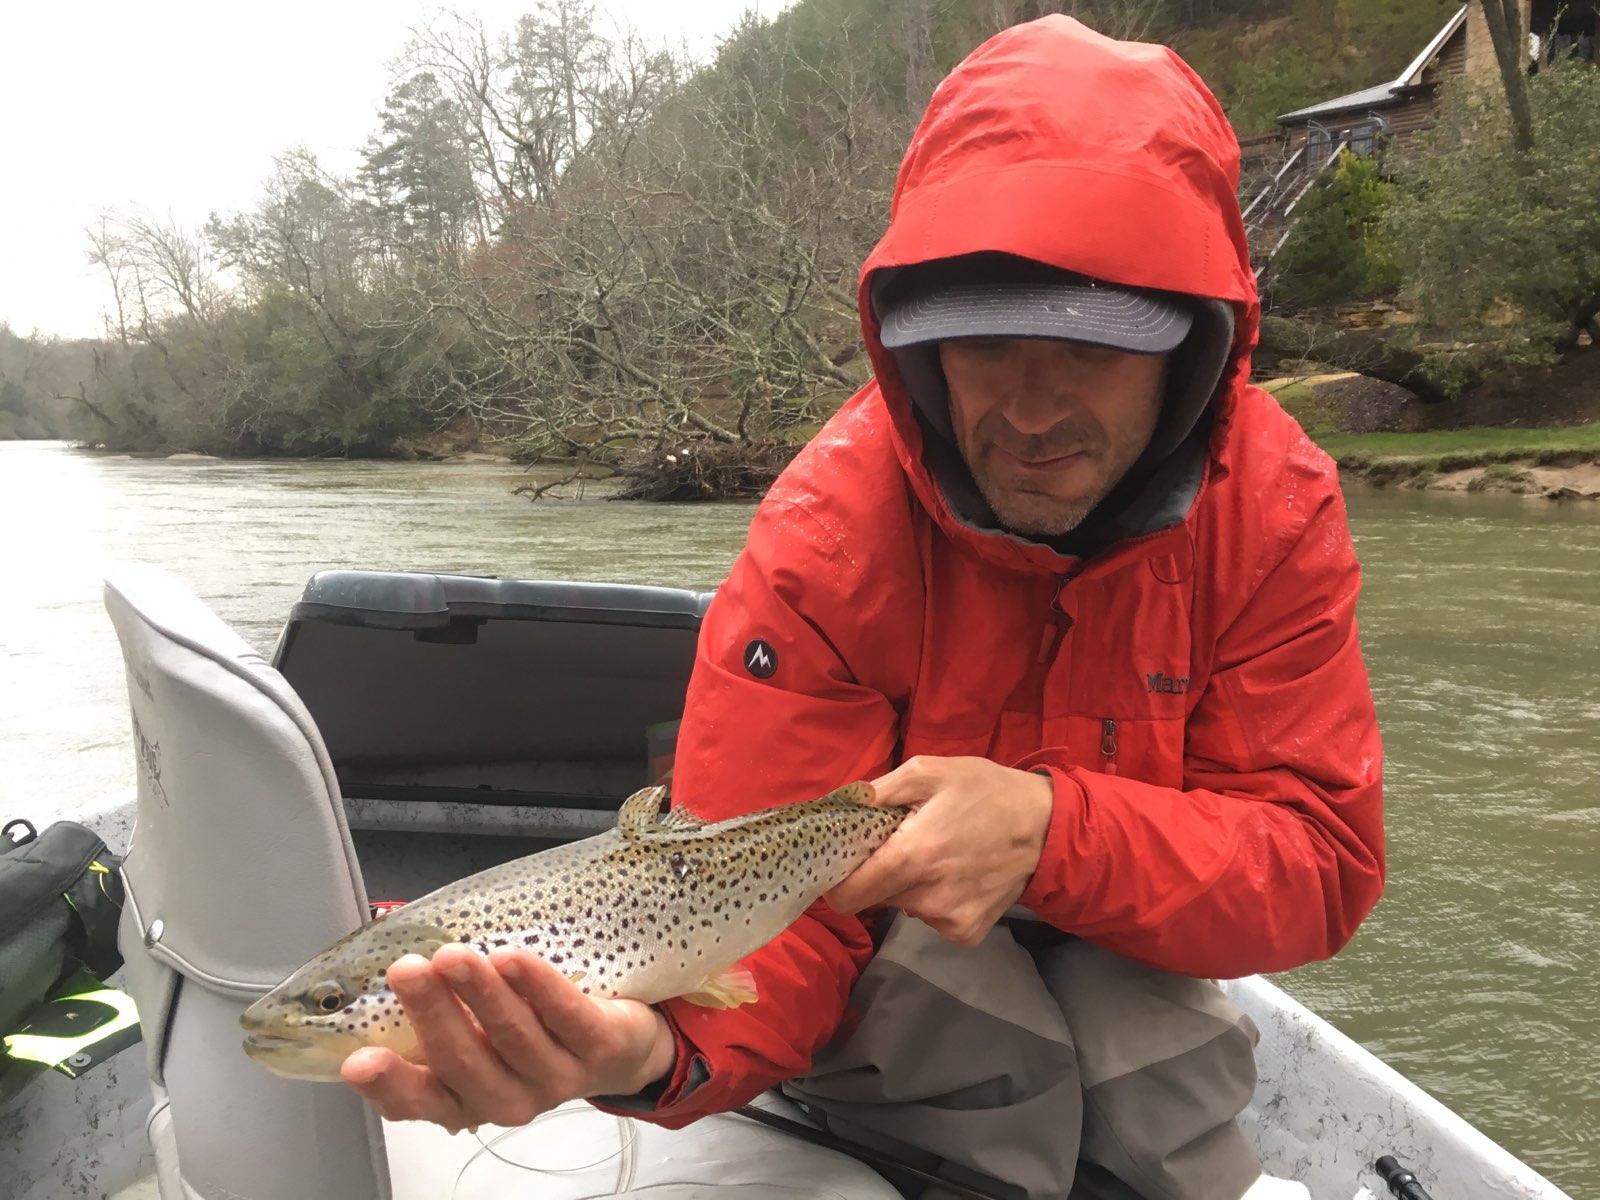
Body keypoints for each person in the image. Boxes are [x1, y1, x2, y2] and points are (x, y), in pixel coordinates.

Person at [340, 15, 1385, 1199]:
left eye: (1092, 350)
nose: (1032, 412)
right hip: (882, 962)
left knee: (1160, 1063)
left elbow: (1317, 863)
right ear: (914, 350)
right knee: (962, 1030)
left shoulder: (1276, 506)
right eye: (984, 346)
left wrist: (1053, 830)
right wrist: (653, 1053)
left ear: (1193, 349)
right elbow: (743, 895)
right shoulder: (827, 535)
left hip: (1130, 934)